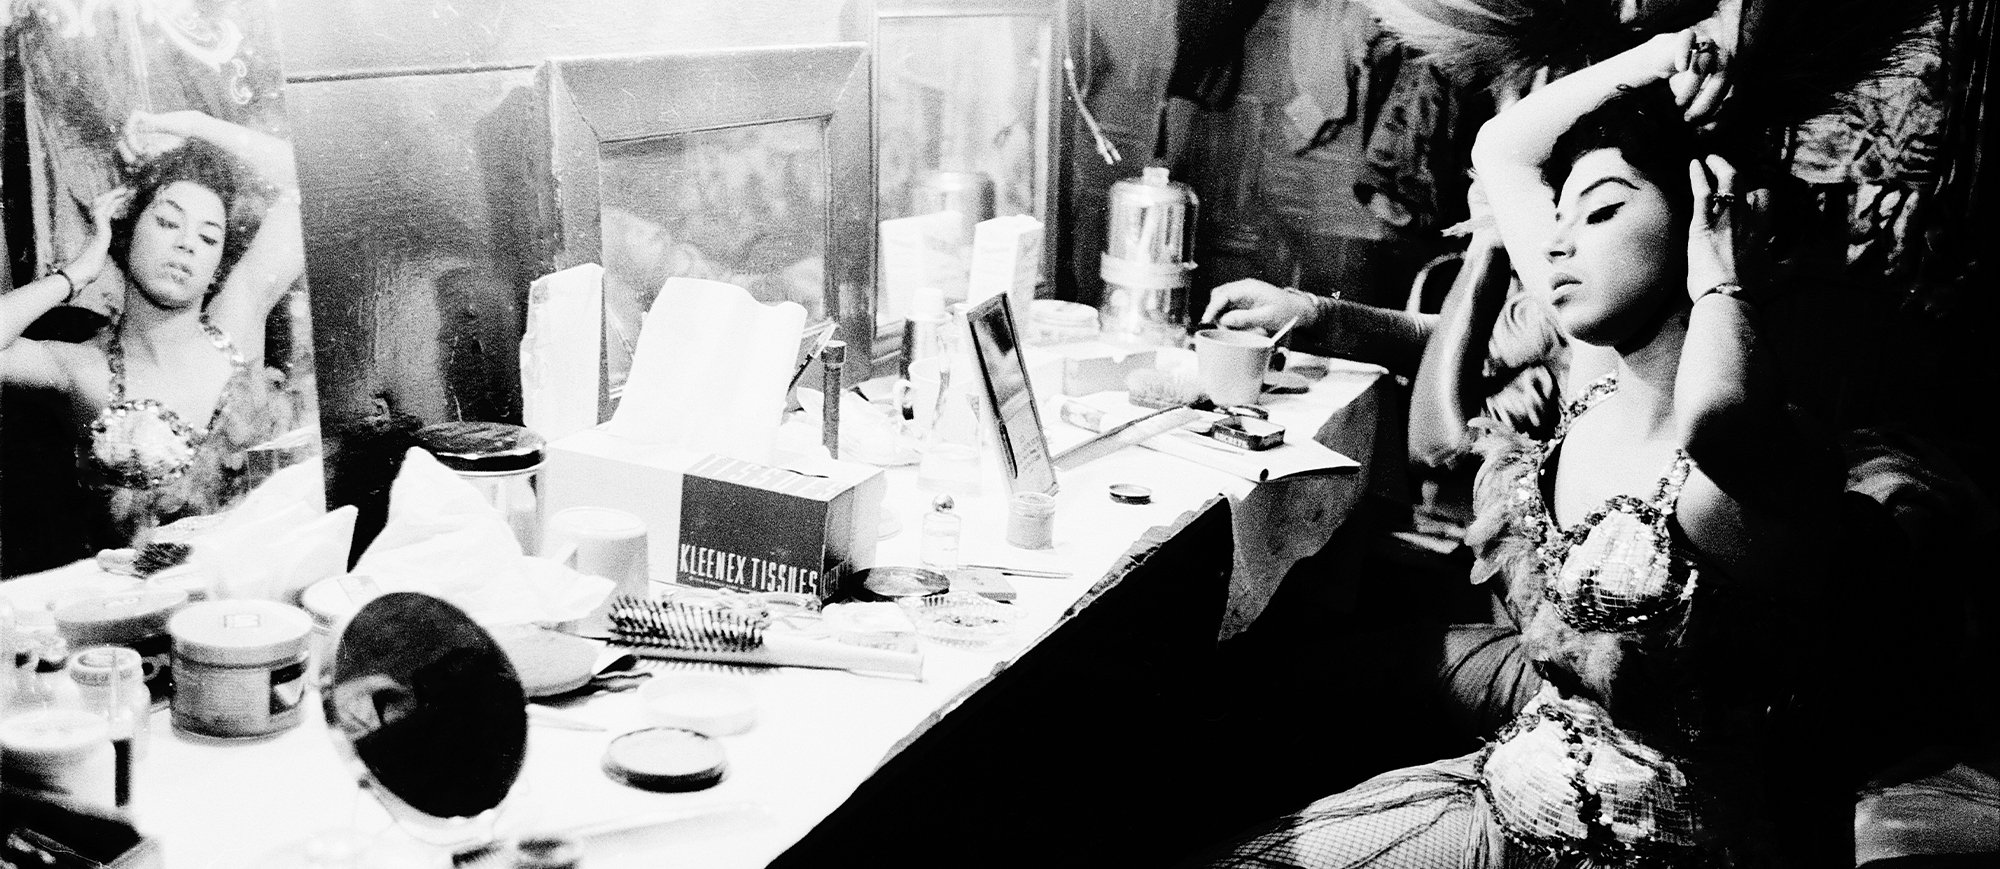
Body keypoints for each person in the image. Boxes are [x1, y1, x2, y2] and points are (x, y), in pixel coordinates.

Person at [1186, 22, 1850, 866]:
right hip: (1509, 796)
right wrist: (1673, 53)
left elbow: (1716, 418)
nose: (1558, 240)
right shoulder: (1595, 374)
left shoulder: (1768, 442)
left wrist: (1721, 268)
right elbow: (1503, 149)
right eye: (1558, 214)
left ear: (1701, 219)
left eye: (1601, 209)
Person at [1, 109, 304, 551]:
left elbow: (304, 175)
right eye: (167, 222)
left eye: (208, 237)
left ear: (216, 267)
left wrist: (190, 124)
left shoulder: (239, 321)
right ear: (126, 234)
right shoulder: (80, 368)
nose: (186, 244)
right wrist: (77, 273)